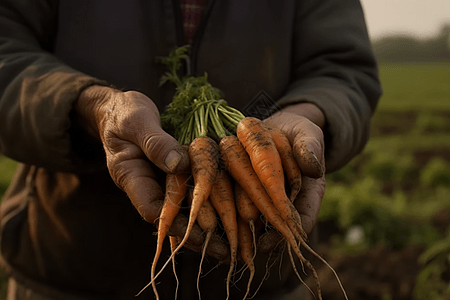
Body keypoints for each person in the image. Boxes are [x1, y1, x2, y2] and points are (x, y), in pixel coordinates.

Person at [0, 0, 381, 299]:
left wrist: (312, 115)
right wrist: (93, 108)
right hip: (70, 266)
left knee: (248, 209)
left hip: (268, 282)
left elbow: (343, 70)